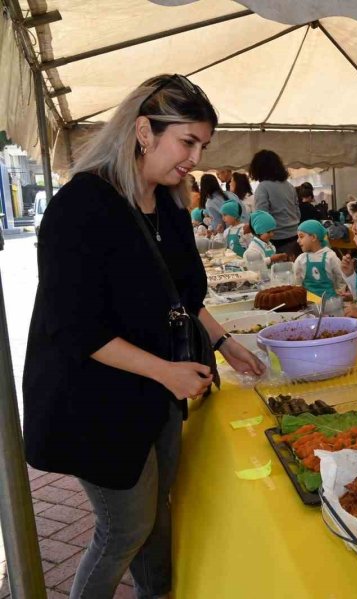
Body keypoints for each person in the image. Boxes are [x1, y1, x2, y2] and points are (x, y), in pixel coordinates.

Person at [22, 74, 266, 599]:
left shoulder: (172, 202)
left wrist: (227, 344)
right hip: (92, 399)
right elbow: (75, 326)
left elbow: (184, 295)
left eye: (202, 145)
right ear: (143, 131)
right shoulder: (82, 205)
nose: (195, 158)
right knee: (124, 530)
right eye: (187, 142)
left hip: (154, 394)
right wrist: (166, 371)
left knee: (157, 521)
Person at [248, 149, 301, 259]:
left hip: (276, 239)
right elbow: (297, 211)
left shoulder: (263, 187)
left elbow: (262, 219)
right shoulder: (289, 186)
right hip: (295, 236)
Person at [293, 220, 344, 297]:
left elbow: (340, 278)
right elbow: (297, 283)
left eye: (301, 236)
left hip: (330, 302)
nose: (298, 241)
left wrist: (340, 295)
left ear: (313, 237)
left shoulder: (330, 257)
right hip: (309, 303)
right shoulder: (301, 259)